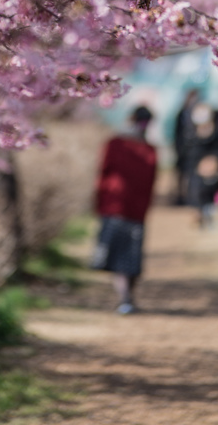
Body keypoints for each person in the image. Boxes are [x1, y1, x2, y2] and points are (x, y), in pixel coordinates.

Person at [92, 106, 157, 314]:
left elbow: (103, 173)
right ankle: (128, 297)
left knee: (118, 253)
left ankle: (124, 297)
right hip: (135, 210)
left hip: (114, 206)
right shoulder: (149, 149)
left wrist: (99, 200)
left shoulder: (115, 143)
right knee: (131, 255)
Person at [186, 102, 218, 227]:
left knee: (210, 192)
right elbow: (190, 151)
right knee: (196, 191)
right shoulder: (192, 134)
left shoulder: (216, 132)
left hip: (211, 168)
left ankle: (208, 214)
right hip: (196, 168)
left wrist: (213, 162)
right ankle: (199, 213)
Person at [172, 88, 199, 205]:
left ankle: (191, 196)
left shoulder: (198, 113)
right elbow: (177, 133)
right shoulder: (181, 113)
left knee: (193, 174)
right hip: (183, 149)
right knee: (181, 175)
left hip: (194, 149)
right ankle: (180, 196)